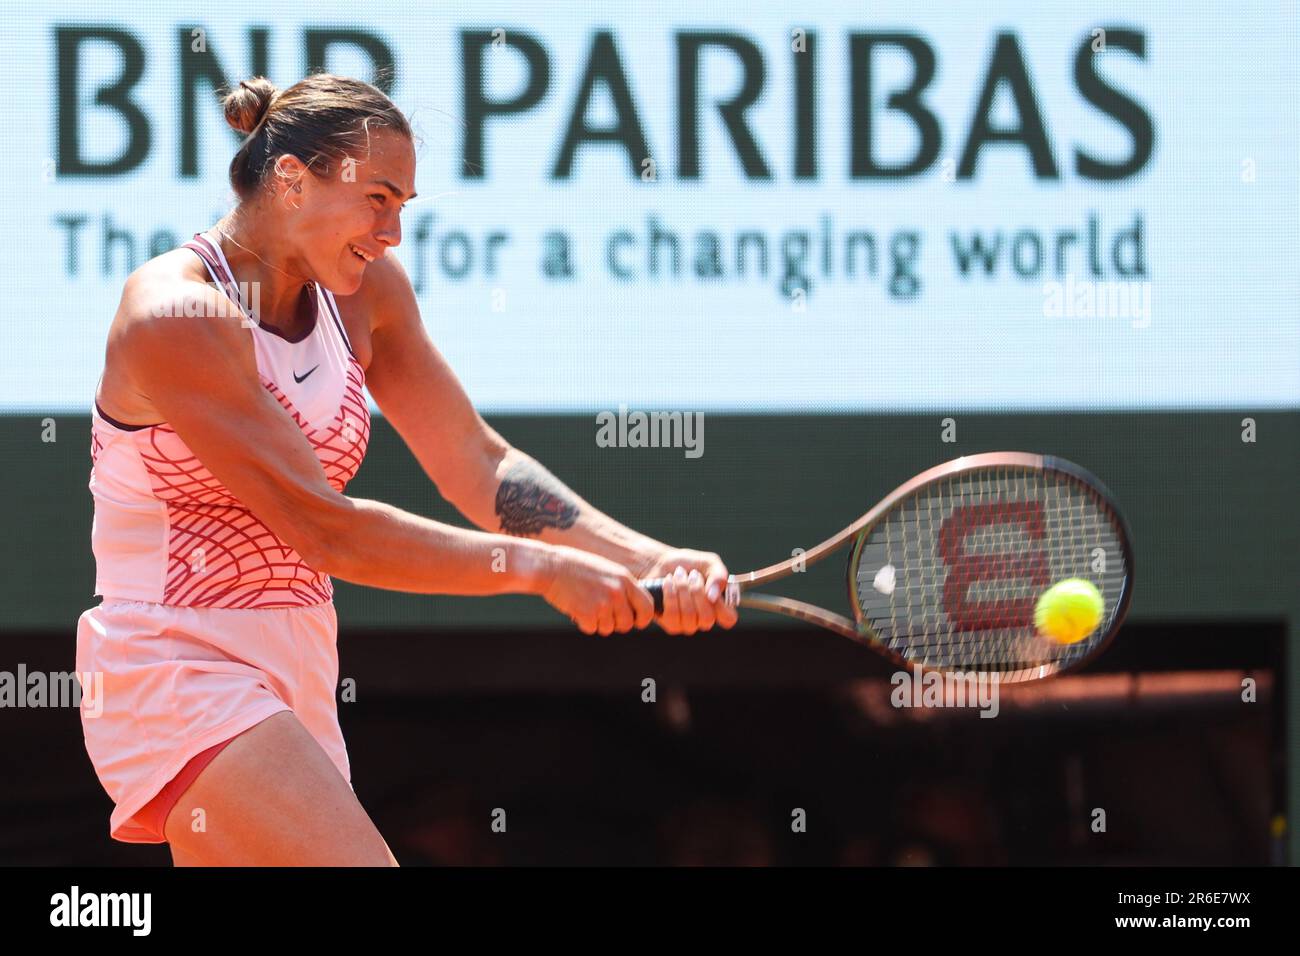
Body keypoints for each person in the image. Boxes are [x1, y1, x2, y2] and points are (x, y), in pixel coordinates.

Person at [75, 72, 737, 866]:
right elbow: (330, 533)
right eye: (377, 198)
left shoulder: (367, 296)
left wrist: (644, 560)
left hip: (297, 678)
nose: (392, 232)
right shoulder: (174, 314)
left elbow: (479, 463)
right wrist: (543, 571)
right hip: (174, 668)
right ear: (291, 179)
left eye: (402, 207)